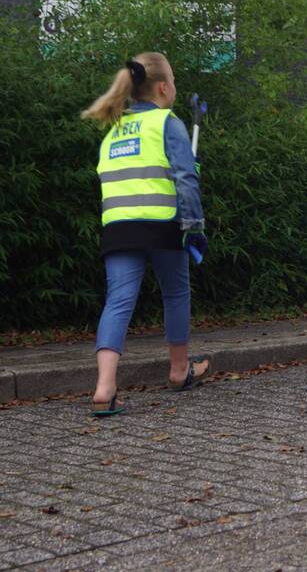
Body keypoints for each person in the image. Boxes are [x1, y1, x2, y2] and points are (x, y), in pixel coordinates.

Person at [83, 52, 209, 416]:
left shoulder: (114, 128)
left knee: (118, 302)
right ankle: (178, 370)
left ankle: (104, 388)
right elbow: (185, 180)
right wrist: (194, 227)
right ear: (164, 87)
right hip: (163, 222)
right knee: (175, 293)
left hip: (119, 226)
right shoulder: (168, 122)